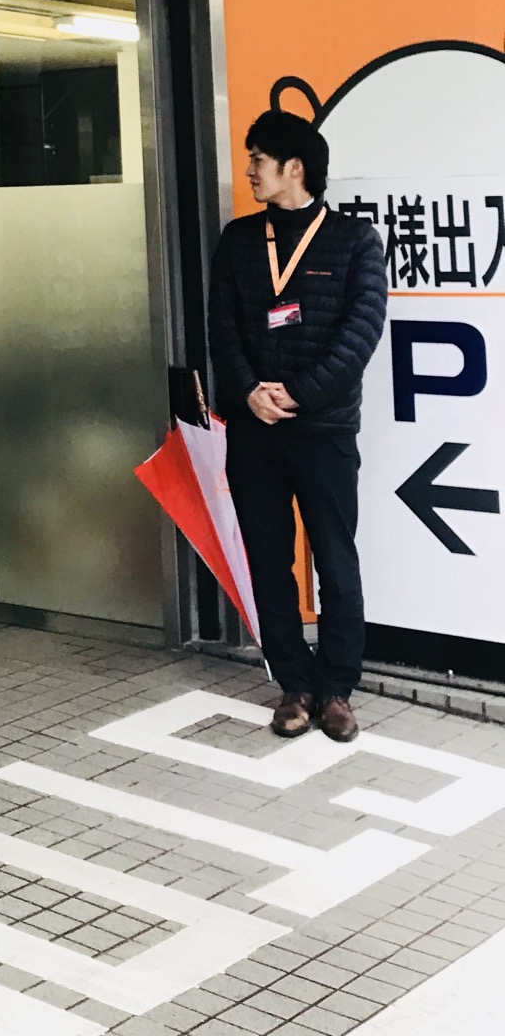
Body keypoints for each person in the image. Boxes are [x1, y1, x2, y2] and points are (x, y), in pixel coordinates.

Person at [208, 107, 388, 742]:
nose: (249, 170)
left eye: (258, 159)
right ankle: (293, 683)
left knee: (335, 561)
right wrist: (249, 392)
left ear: (295, 167)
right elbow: (223, 329)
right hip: (254, 431)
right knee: (268, 560)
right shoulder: (238, 240)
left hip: (323, 431)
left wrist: (300, 394)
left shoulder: (355, 241)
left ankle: (336, 688)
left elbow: (360, 333)